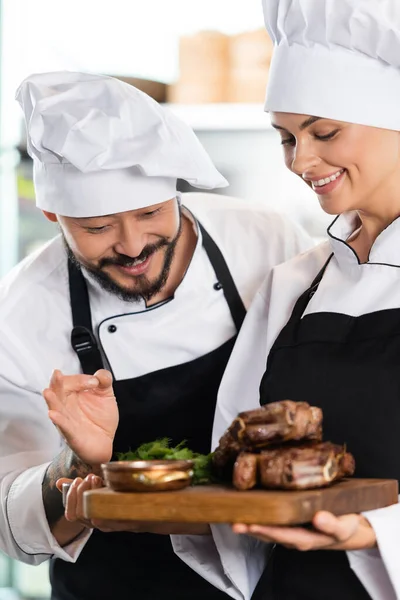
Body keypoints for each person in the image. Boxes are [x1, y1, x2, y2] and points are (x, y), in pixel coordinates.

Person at [0, 71, 312, 600]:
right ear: (53, 213)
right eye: (97, 228)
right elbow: (11, 520)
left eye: (149, 212)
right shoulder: (21, 313)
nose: (132, 245)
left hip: (270, 575)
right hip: (117, 586)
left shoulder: (266, 238)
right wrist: (79, 463)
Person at [191, 0, 400, 598]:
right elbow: (231, 454)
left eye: (324, 132)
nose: (301, 161)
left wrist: (376, 533)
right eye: (286, 138)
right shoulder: (294, 283)